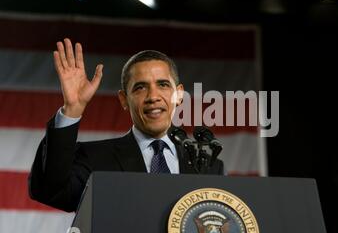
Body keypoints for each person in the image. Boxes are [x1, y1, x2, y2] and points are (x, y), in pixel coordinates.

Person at [28, 38, 224, 212]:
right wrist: (72, 108)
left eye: (163, 85)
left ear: (179, 95)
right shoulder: (96, 159)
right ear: (124, 99)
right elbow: (50, 191)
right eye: (140, 87)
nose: (153, 97)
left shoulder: (209, 166)